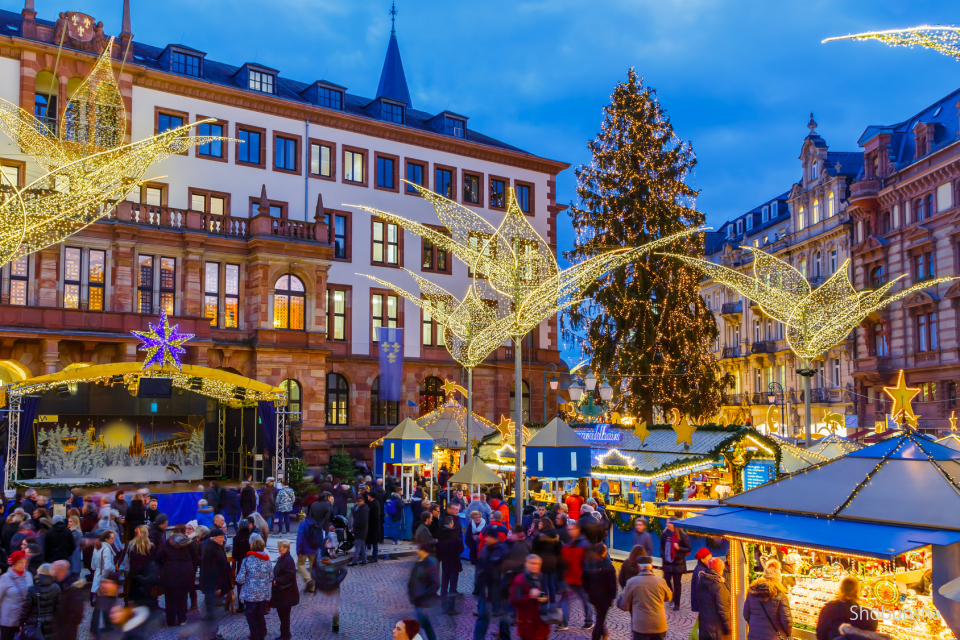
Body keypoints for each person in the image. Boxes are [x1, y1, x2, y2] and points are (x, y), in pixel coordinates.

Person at [617, 555, 672, 640]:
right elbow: (668, 597)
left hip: (640, 626)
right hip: (659, 624)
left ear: (639, 567)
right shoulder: (661, 581)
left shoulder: (632, 582)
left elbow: (624, 605)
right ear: (652, 566)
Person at [156, 526, 199, 627]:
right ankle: (182, 619)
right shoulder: (189, 543)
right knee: (183, 597)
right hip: (185, 572)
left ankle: (170, 621)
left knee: (169, 597)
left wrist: (163, 567)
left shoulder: (167, 543)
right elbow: (196, 558)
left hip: (169, 572)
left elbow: (158, 557)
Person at [473, 529, 511, 640]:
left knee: (504, 618)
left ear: (494, 538)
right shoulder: (484, 550)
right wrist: (478, 586)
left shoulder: (502, 550)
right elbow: (480, 569)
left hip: (500, 590)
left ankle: (505, 637)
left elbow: (506, 570)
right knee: (483, 617)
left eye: (489, 537)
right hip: (486, 590)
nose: (486, 539)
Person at [235, 535, 272, 640]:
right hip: (263, 593)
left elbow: (240, 579)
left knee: (251, 615)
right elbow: (271, 576)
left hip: (250, 594)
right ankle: (262, 633)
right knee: (260, 614)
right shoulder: (267, 560)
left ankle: (255, 635)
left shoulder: (246, 561)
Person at [743, 563, 792, 640]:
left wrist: (755, 626)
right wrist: (788, 633)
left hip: (754, 636)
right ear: (778, 579)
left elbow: (746, 614)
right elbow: (786, 620)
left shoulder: (752, 592)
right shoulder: (780, 594)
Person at [560, 520, 594, 632]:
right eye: (568, 529)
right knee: (566, 600)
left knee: (584, 600)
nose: (569, 531)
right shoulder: (569, 543)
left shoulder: (584, 544)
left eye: (571, 529)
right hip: (569, 576)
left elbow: (588, 563)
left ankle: (589, 621)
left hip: (580, 577)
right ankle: (564, 623)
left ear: (577, 530)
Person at [200, 528, 232, 640]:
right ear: (214, 538)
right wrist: (216, 587)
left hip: (212, 585)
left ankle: (212, 634)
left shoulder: (214, 547)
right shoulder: (211, 550)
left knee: (211, 610)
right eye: (221, 537)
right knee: (211, 612)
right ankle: (211, 635)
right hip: (212, 585)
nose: (223, 540)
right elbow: (211, 571)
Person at [510, 554, 551, 640]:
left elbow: (546, 595)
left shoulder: (542, 577)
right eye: (532, 563)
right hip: (526, 624)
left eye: (537, 564)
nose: (534, 566)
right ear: (526, 564)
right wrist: (529, 596)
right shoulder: (519, 579)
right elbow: (514, 600)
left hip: (541, 625)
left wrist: (543, 597)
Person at [583, 543, 617, 640]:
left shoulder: (591, 564)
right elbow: (612, 584)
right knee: (600, 617)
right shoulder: (609, 566)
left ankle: (604, 633)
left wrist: (588, 591)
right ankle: (596, 636)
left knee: (599, 615)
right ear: (604, 553)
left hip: (593, 595)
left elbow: (585, 579)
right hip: (604, 597)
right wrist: (612, 597)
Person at [19, 562, 61, 640]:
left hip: (34, 624)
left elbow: (26, 608)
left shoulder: (32, 589)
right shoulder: (56, 587)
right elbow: (58, 608)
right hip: (50, 624)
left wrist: (21, 622)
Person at [407, 543, 440, 640]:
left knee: (422, 621)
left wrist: (425, 595)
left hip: (423, 599)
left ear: (425, 551)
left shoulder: (431, 563)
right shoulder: (419, 562)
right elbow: (413, 577)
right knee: (423, 622)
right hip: (417, 598)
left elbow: (436, 583)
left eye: (419, 550)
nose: (417, 551)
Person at [659, 518, 691, 611]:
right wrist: (663, 556)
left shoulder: (682, 535)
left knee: (677, 583)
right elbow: (661, 546)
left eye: (668, 522)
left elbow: (688, 548)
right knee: (666, 580)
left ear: (674, 524)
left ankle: (677, 604)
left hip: (678, 564)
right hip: (667, 562)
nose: (667, 524)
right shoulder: (665, 534)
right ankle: (671, 594)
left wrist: (679, 548)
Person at [531, 517, 563, 606]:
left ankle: (544, 604)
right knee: (551, 584)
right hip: (552, 562)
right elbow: (558, 550)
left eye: (541, 523)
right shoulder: (555, 536)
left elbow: (534, 550)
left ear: (545, 524)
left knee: (543, 585)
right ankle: (552, 602)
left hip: (542, 562)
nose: (539, 525)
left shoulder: (539, 536)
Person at [0, 551, 32, 640]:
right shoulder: (5, 578)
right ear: (13, 563)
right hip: (8, 620)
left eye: (24, 562)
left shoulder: (29, 575)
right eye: (20, 562)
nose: (23, 565)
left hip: (24, 618)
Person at [271, 539, 299, 640]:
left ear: (286, 548)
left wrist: (277, 581)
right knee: (283, 615)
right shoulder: (283, 558)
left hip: (286, 593)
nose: (278, 549)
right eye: (278, 547)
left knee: (284, 615)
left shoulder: (288, 559)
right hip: (283, 593)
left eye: (280, 547)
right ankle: (284, 634)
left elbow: (290, 575)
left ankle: (285, 635)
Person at [697, 557, 731, 640]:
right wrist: (729, 626)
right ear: (719, 570)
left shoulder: (703, 580)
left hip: (705, 625)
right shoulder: (718, 585)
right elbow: (723, 609)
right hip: (717, 628)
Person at [122, 525, 156, 607]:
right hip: (147, 573)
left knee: (133, 593)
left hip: (134, 574)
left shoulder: (131, 545)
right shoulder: (151, 546)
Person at [436, 515, 463, 614]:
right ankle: (451, 608)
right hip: (454, 563)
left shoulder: (440, 534)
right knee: (452, 586)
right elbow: (460, 548)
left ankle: (443, 606)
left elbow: (438, 549)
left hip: (445, 563)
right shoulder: (454, 535)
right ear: (451, 523)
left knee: (444, 585)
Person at [312, 557, 347, 633]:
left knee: (335, 605)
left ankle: (335, 624)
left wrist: (337, 581)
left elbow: (344, 571)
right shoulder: (318, 554)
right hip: (323, 585)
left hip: (333, 586)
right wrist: (318, 579)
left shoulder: (337, 557)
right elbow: (313, 570)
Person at [51, 560, 84, 640]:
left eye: (54, 569)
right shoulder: (55, 583)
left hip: (66, 631)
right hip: (56, 629)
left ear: (61, 570)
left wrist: (66, 630)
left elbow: (76, 613)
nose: (52, 572)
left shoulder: (73, 587)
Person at [232, 517, 254, 613]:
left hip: (241, 563)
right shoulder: (252, 537)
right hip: (252, 562)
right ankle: (251, 603)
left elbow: (234, 554)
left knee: (240, 583)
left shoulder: (236, 538)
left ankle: (241, 605)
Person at [296, 512, 321, 591]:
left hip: (304, 549)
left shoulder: (303, 524)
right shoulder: (318, 523)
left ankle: (308, 579)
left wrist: (298, 549)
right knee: (313, 567)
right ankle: (312, 588)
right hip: (314, 549)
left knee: (300, 564)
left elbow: (300, 537)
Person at [348, 495, 369, 566]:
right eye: (357, 502)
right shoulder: (362, 508)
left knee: (357, 547)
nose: (358, 503)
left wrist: (355, 526)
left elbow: (362, 520)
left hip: (361, 530)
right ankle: (364, 559)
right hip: (361, 530)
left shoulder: (363, 509)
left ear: (363, 501)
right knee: (362, 546)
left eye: (359, 501)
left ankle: (354, 560)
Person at [691, 547, 713, 613]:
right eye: (709, 558)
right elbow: (700, 588)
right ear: (702, 559)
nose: (711, 559)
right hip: (702, 604)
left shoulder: (703, 568)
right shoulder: (701, 571)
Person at [366, 491, 384, 563]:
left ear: (371, 496)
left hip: (373, 527)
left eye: (368, 496)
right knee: (374, 542)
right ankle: (374, 557)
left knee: (374, 542)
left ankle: (374, 557)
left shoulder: (375, 504)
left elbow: (373, 517)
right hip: (373, 526)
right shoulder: (373, 503)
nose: (367, 497)